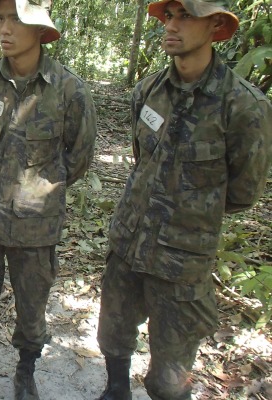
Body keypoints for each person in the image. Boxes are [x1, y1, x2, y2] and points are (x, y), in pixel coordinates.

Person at [97, 1, 272, 399]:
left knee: (169, 378)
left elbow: (244, 192)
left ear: (215, 26)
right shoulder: (147, 91)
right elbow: (144, 161)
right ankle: (114, 390)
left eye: (185, 16)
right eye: (168, 16)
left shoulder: (244, 106)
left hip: (182, 261)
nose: (171, 25)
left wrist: (186, 215)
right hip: (128, 243)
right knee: (114, 333)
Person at [0, 1, 97, 398]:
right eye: (0, 18)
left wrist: (39, 189)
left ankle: (25, 373)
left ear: (39, 30)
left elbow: (79, 157)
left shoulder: (68, 90)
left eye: (15, 19)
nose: (4, 27)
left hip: (36, 222)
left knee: (32, 304)